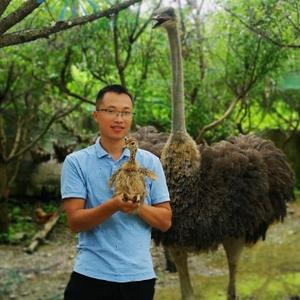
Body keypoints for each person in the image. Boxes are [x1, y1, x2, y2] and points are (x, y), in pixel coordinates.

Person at [61, 84, 172, 300]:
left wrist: (138, 207)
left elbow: (165, 221)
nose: (119, 119)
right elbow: (75, 222)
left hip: (139, 279)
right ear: (96, 115)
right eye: (110, 111)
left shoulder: (150, 162)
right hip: (91, 276)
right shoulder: (76, 163)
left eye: (125, 112)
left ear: (131, 117)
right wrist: (114, 205)